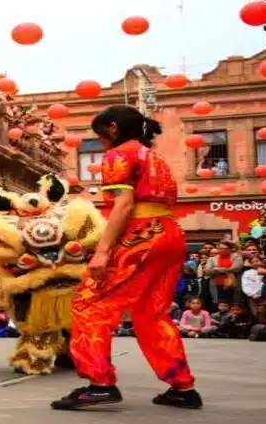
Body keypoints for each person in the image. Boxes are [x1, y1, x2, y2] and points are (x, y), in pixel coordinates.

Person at [52, 105, 202, 411]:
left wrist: (103, 252)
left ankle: (99, 383)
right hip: (170, 233)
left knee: (89, 304)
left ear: (112, 129)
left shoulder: (120, 154)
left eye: (99, 136)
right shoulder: (155, 158)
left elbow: (123, 205)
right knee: (152, 313)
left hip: (141, 235)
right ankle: (182, 386)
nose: (100, 144)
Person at [203, 241, 243, 309]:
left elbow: (236, 269)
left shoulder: (236, 257)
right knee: (219, 305)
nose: (223, 250)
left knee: (234, 304)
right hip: (217, 285)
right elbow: (207, 271)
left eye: (225, 248)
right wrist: (227, 269)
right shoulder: (212, 259)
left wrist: (216, 269)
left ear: (230, 249)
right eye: (220, 248)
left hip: (233, 285)